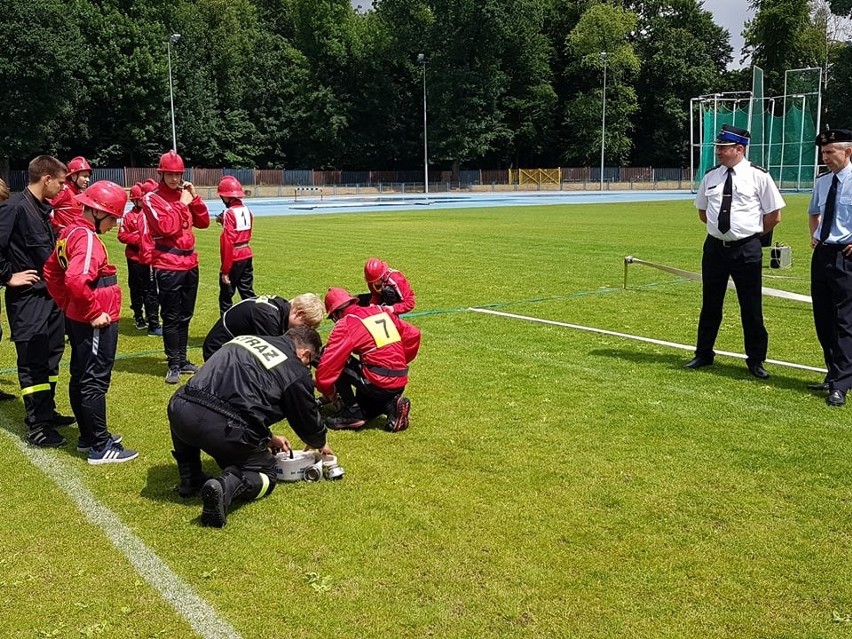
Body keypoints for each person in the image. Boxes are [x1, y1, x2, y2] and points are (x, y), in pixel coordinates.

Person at [167, 325, 333, 527]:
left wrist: (268, 437)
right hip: (223, 430)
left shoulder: (245, 338)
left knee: (194, 404)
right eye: (309, 362)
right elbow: (305, 417)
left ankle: (190, 476)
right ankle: (226, 486)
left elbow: (240, 395)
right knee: (267, 472)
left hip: (181, 410)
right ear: (305, 353)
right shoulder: (294, 368)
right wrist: (320, 441)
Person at [43, 181, 139, 463]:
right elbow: (74, 279)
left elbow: (51, 271)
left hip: (79, 315)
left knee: (81, 374)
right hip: (94, 319)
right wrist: (93, 310)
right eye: (112, 218)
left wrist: (68, 305)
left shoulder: (69, 231)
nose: (113, 224)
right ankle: (99, 445)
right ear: (98, 213)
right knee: (94, 380)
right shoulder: (85, 238)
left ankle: (89, 437)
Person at [684, 124, 785, 379]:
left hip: (746, 249)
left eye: (722, 147)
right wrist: (722, 233)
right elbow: (702, 212)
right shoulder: (711, 176)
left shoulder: (759, 176)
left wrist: (749, 235)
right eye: (717, 147)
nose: (718, 151)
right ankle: (703, 353)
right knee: (710, 304)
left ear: (739, 149)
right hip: (715, 248)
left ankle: (756, 360)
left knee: (751, 306)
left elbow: (774, 215)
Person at [0, 156, 75, 447]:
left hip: (50, 296)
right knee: (32, 361)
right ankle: (37, 426)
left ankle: (47, 411)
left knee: (51, 356)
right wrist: (8, 277)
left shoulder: (42, 209)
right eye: (61, 181)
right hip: (28, 299)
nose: (63, 187)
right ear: (46, 179)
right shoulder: (15, 208)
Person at [139, 150, 210, 384]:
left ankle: (182, 358)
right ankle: (173, 363)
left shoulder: (184, 195)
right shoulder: (152, 198)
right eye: (169, 174)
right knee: (171, 316)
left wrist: (194, 198)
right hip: (168, 264)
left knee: (186, 316)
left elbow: (203, 222)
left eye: (177, 174)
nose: (173, 179)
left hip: (190, 263)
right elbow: (167, 227)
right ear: (161, 173)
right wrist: (182, 204)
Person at [316, 287, 421, 432]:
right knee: (366, 409)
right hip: (400, 380)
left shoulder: (346, 323)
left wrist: (327, 390)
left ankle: (352, 412)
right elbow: (413, 334)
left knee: (331, 357)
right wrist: (401, 360)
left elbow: (329, 363)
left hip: (377, 381)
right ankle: (392, 405)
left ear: (336, 313)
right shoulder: (379, 311)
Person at [808, 129, 852, 406]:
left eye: (830, 152)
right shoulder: (823, 182)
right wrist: (815, 234)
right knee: (823, 319)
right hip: (823, 254)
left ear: (848, 152)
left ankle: (841, 383)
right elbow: (814, 212)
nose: (825, 157)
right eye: (823, 152)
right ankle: (833, 371)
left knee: (845, 321)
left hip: (846, 256)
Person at [202, 293, 324, 361]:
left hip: (234, 350)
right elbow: (278, 356)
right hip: (218, 353)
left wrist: (323, 364)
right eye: (306, 325)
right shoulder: (267, 317)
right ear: (299, 313)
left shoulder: (282, 308)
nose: (305, 330)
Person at [118, 181, 161, 335]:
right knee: (136, 288)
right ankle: (138, 315)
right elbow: (122, 235)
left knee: (150, 288)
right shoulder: (129, 216)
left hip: (150, 257)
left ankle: (152, 317)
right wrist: (139, 239)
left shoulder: (150, 214)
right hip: (135, 258)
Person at [216, 176, 256, 314]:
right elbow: (246, 230)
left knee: (226, 297)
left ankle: (226, 328)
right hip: (247, 253)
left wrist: (225, 271)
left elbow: (228, 242)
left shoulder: (229, 212)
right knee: (247, 293)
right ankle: (256, 321)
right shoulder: (246, 210)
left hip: (234, 257)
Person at [49, 156, 92, 233]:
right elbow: (44, 208)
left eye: (88, 176)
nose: (88, 180)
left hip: (75, 236)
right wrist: (57, 226)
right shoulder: (63, 191)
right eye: (85, 176)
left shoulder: (79, 193)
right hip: (62, 239)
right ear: (73, 176)